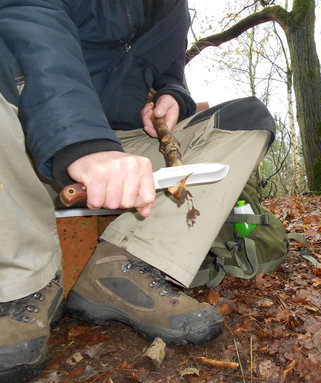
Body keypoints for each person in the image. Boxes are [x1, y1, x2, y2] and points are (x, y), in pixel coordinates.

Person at [0, 1, 274, 382]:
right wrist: (84, 143)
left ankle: (124, 267)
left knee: (248, 118)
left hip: (123, 142)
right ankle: (21, 287)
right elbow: (39, 40)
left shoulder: (173, 10)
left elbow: (170, 72)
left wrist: (174, 96)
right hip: (27, 136)